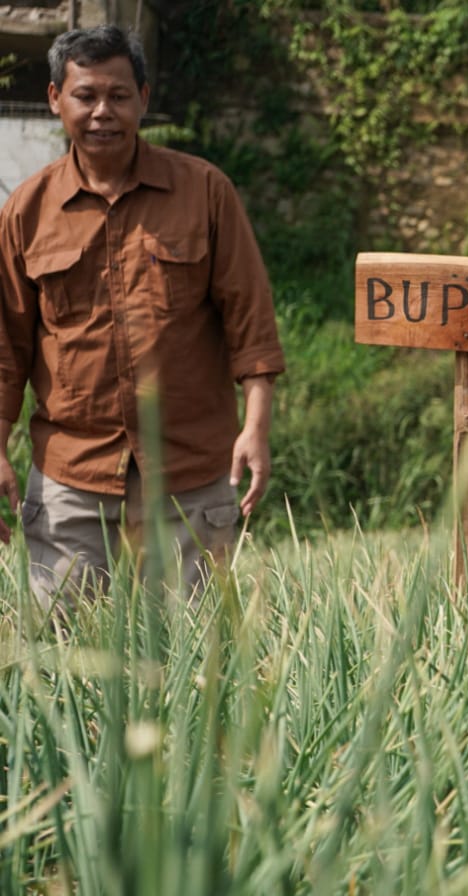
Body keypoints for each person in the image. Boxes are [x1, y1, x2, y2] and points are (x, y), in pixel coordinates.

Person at [0, 25, 284, 607]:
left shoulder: (205, 192)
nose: (103, 112)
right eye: (85, 96)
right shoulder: (26, 212)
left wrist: (255, 427)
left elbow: (249, 320)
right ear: (56, 99)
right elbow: (6, 348)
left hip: (190, 473)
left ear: (144, 99)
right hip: (70, 480)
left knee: (194, 663)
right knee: (65, 663)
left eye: (119, 96)